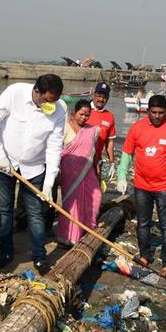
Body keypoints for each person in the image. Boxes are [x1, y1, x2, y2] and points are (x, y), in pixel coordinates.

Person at [0, 74, 65, 274]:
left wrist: (49, 182)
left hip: (34, 167)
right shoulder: (15, 92)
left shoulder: (59, 109)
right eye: (47, 100)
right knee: (5, 210)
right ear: (36, 91)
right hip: (4, 163)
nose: (51, 105)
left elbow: (54, 147)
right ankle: (6, 252)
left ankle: (39, 255)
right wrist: (0, 154)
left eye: (54, 101)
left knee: (35, 213)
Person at [117, 94, 166, 279]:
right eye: (154, 112)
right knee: (143, 223)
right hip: (141, 185)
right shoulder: (137, 128)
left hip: (165, 187)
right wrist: (122, 176)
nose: (157, 116)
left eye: (161, 113)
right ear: (147, 111)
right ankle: (145, 255)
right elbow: (127, 152)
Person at [57, 100, 102, 247]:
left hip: (87, 171)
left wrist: (97, 168)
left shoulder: (93, 131)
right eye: (81, 114)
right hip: (69, 172)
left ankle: (85, 231)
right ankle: (67, 237)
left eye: (87, 115)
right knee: (72, 204)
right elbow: (57, 151)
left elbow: (94, 153)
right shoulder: (63, 129)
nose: (84, 118)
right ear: (73, 113)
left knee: (95, 198)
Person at [87, 82, 116, 181]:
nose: (101, 99)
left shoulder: (109, 116)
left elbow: (110, 142)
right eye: (99, 96)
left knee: (95, 191)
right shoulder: (84, 110)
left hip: (97, 161)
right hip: (80, 159)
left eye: (104, 97)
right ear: (93, 95)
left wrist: (112, 162)